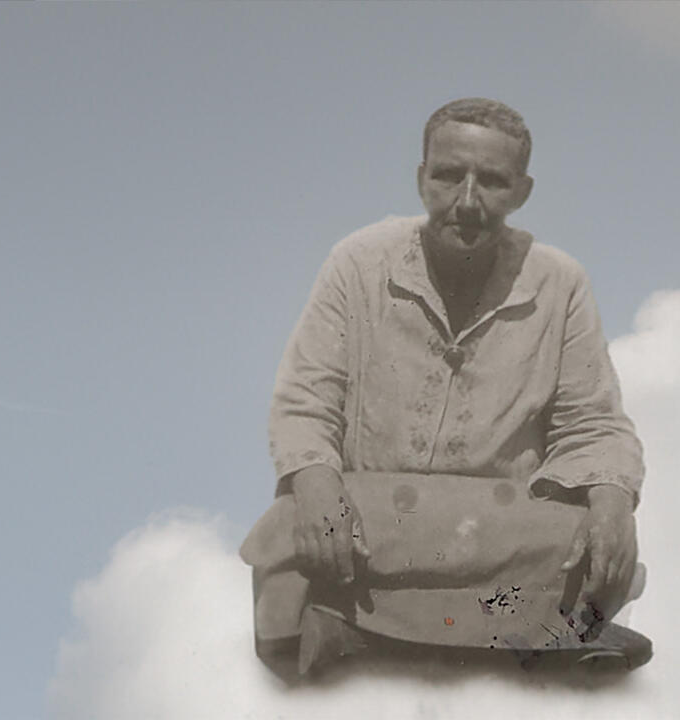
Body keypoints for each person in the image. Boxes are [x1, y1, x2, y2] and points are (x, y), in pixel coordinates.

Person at [241, 97, 649, 680]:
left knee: (588, 541)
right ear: (421, 178)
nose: (467, 201)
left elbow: (594, 422)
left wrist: (611, 503)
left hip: (497, 528)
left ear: (523, 192)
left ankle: (359, 632)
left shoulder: (560, 283)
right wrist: (316, 483)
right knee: (286, 528)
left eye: (493, 182)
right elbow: (307, 399)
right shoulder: (357, 262)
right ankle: (532, 638)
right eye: (449, 175)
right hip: (371, 520)